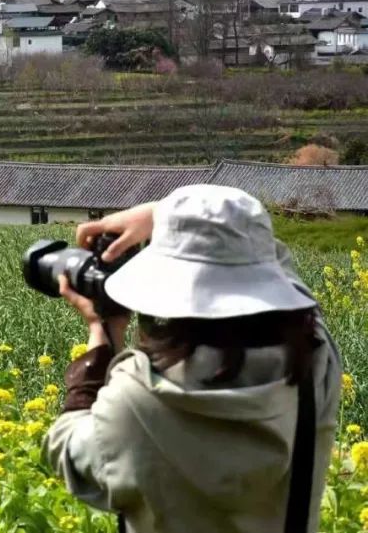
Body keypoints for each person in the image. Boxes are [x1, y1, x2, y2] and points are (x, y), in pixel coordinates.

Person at [43, 184, 343, 533]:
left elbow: (66, 449)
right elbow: (270, 261)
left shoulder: (137, 399)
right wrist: (170, 219)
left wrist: (100, 333)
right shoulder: (314, 360)